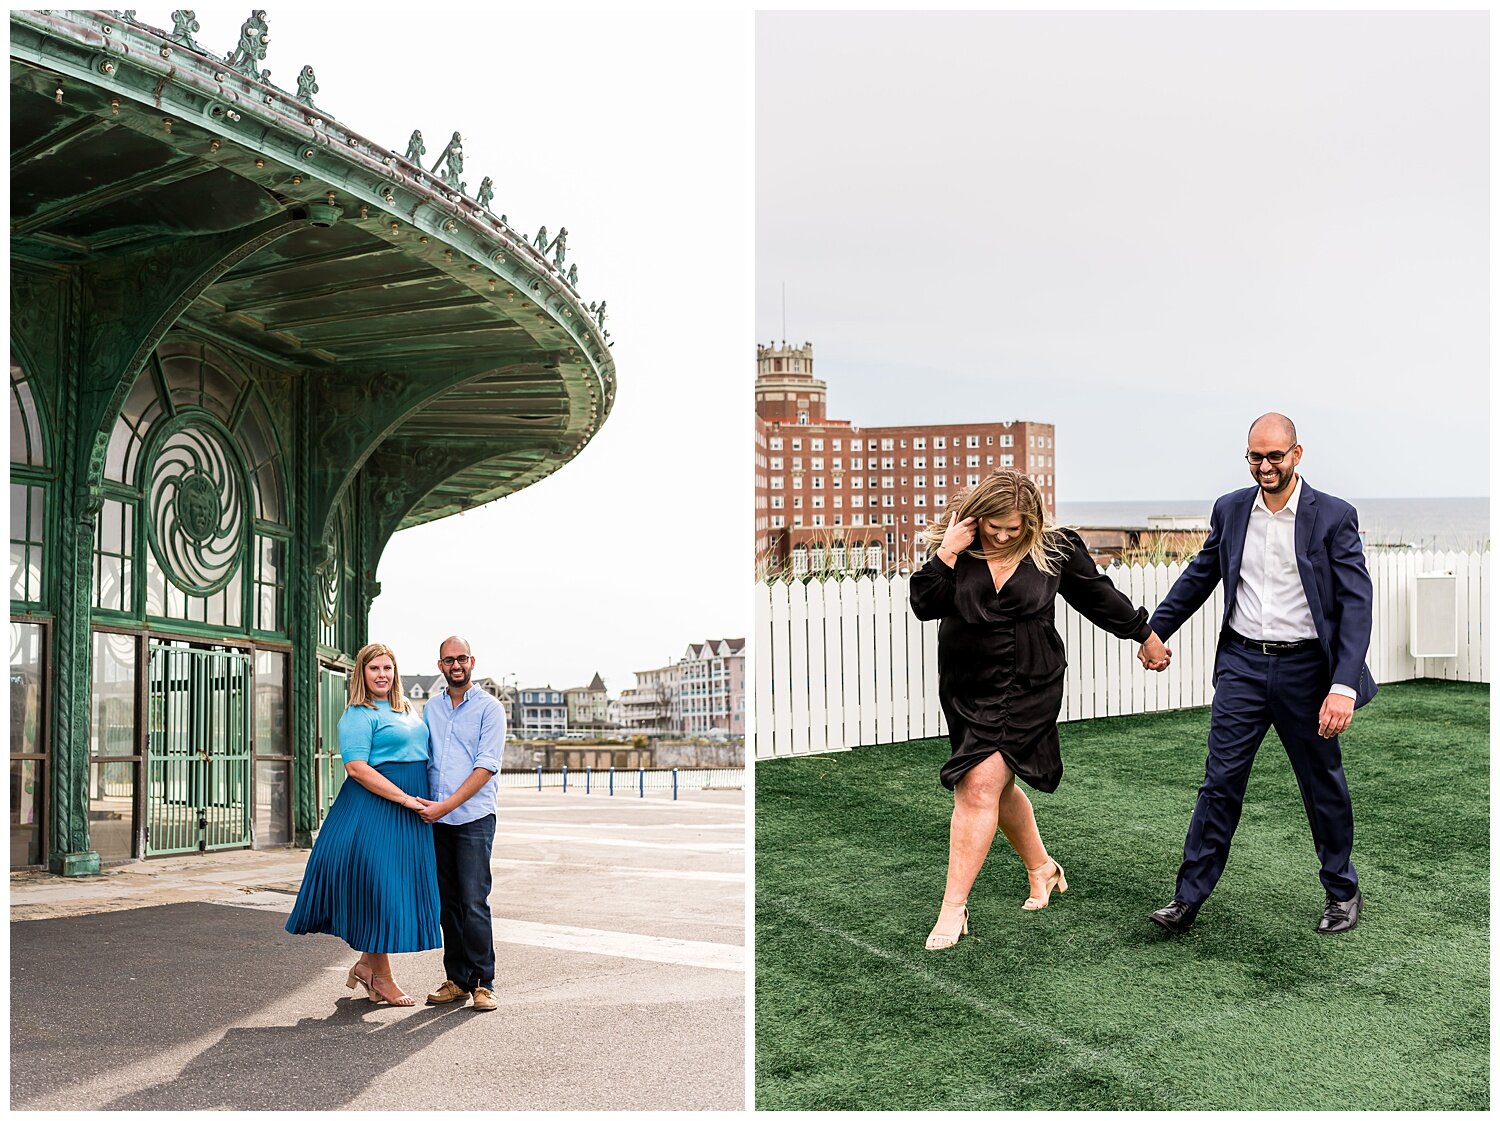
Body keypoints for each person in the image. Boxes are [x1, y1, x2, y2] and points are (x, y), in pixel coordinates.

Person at [910, 470, 1170, 950]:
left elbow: (1099, 597)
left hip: (1031, 681)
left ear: (1031, 519)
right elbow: (924, 605)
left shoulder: (1055, 549)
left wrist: (1145, 634)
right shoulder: (960, 548)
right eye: (995, 526)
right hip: (968, 684)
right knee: (996, 783)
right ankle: (1043, 868)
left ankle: (952, 908)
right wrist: (947, 549)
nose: (1004, 536)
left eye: (1014, 528)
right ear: (977, 515)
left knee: (979, 782)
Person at [1143, 413, 1375, 936]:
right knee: (1219, 783)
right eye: (1255, 456)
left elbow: (1357, 604)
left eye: (1274, 456)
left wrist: (1342, 685)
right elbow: (1200, 574)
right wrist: (1157, 630)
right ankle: (1187, 898)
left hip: (1308, 671)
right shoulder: (1230, 510)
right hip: (1243, 667)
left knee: (1321, 785)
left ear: (1297, 454)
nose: (1264, 466)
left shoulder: (1334, 516)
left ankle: (1342, 891)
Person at [284, 642, 441, 1005]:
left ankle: (367, 969)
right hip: (376, 809)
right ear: (362, 673)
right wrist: (404, 798)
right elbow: (356, 768)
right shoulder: (358, 713)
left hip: (408, 812)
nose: (382, 675)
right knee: (381, 891)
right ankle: (382, 977)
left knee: (391, 890)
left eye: (387, 668)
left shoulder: (407, 709)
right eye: (374, 669)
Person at [418, 636, 505, 1011]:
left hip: (472, 818)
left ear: (473, 662)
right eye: (449, 660)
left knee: (473, 901)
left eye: (462, 658)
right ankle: (456, 979)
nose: (456, 665)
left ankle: (483, 983)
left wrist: (445, 806)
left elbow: (485, 767)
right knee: (447, 904)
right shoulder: (430, 709)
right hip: (437, 820)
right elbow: (422, 759)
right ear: (440, 666)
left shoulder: (490, 709)